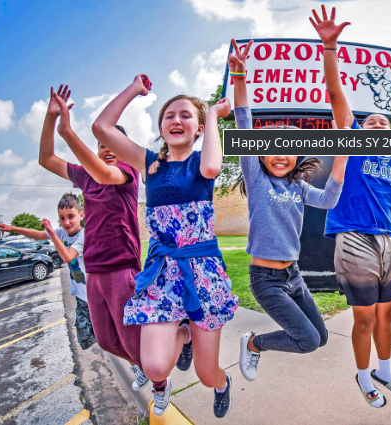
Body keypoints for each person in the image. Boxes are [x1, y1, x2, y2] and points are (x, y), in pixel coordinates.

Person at [91, 74, 238, 418]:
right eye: (169, 115)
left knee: (205, 374)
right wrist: (133, 89)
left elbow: (213, 165)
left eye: (186, 115)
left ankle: (222, 383)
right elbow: (102, 127)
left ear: (199, 128)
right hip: (161, 273)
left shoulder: (200, 161)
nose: (176, 119)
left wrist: (213, 113)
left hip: (202, 272)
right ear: (161, 127)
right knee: (155, 368)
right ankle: (183, 334)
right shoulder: (149, 164)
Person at [227, 39, 349, 383]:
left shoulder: (298, 187)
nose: (281, 155)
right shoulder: (256, 178)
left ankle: (255, 343)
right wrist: (239, 75)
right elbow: (243, 121)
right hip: (266, 280)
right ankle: (253, 343)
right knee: (307, 341)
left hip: (292, 276)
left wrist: (342, 155)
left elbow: (328, 201)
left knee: (321, 338)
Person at [311, 5, 391, 408]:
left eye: (382, 124)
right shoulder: (350, 140)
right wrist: (330, 47)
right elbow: (337, 96)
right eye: (371, 123)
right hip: (353, 237)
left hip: (387, 240)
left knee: (386, 315)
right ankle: (363, 375)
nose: (379, 125)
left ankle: (385, 370)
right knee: (364, 317)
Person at [35, 84, 152, 391]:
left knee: (132, 340)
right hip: (94, 272)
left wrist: (67, 133)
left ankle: (159, 379)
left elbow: (103, 174)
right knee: (106, 340)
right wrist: (51, 119)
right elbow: (46, 159)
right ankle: (142, 364)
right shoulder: (85, 175)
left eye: (114, 143)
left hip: (121, 269)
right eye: (101, 144)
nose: (107, 148)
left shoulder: (127, 172)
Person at [0, 193, 95, 350]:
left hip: (94, 296)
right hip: (82, 296)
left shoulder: (83, 236)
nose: (66, 222)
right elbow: (37, 234)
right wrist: (12, 228)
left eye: (71, 216)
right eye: (62, 218)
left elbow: (68, 256)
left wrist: (53, 234)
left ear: (81, 215)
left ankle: (128, 359)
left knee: (101, 337)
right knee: (85, 339)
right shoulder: (61, 233)